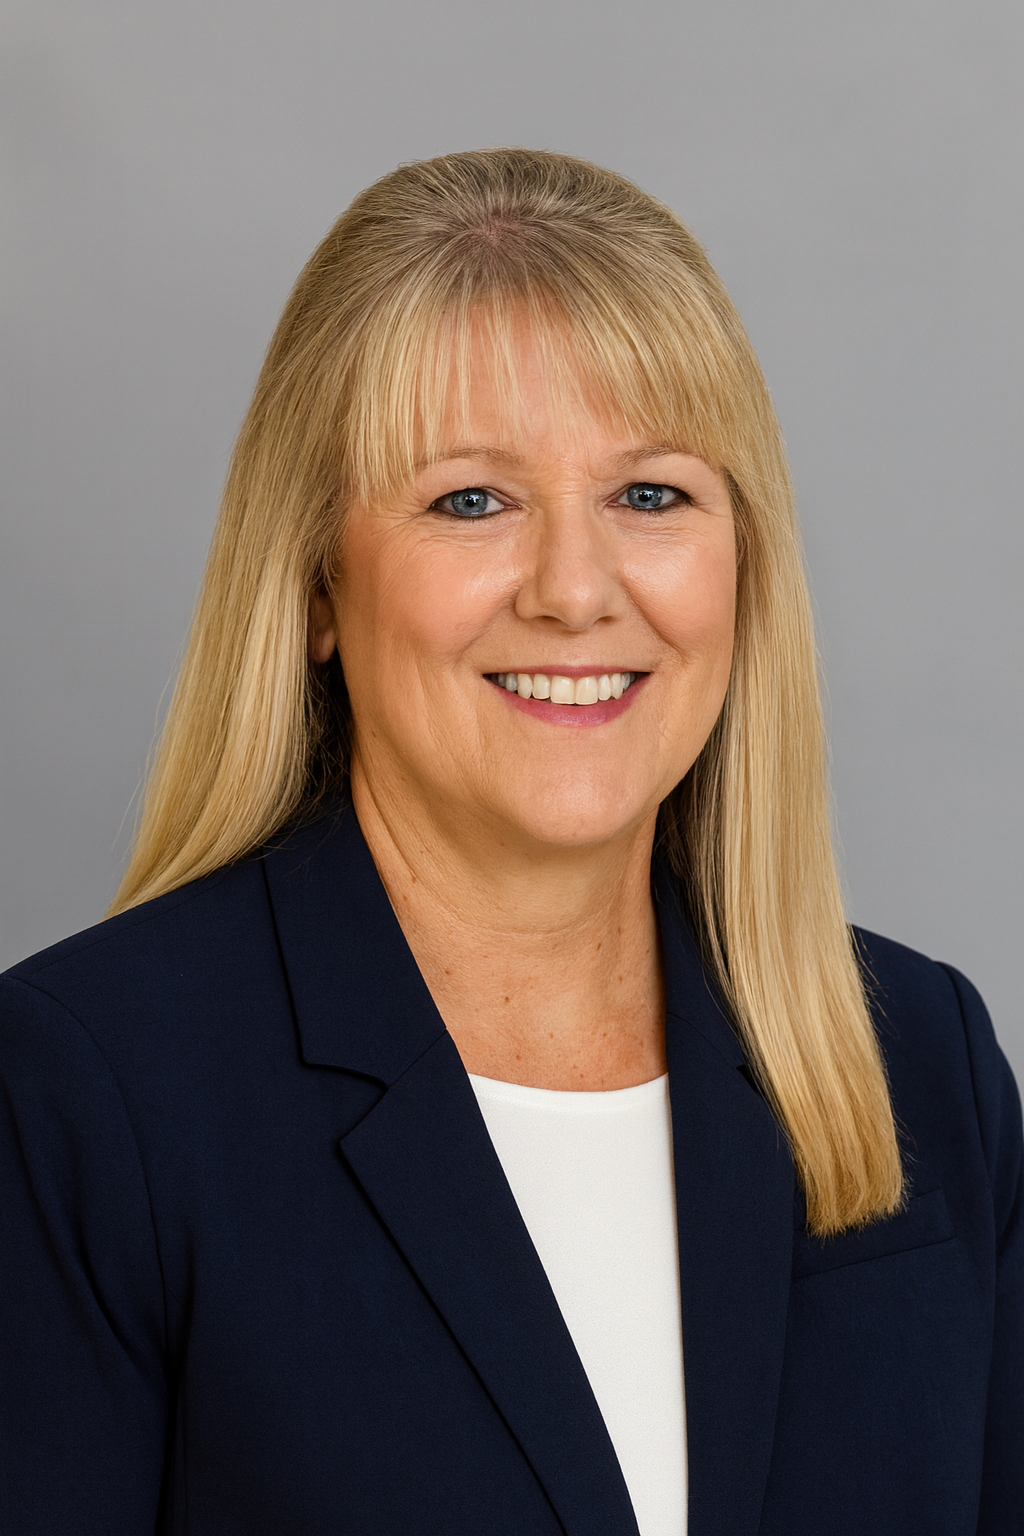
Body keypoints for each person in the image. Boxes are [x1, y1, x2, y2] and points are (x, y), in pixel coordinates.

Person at [0, 148, 1020, 1536]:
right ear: (315, 586)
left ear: (743, 562)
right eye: (470, 500)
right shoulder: (83, 1098)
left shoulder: (926, 1065)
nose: (575, 590)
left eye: (650, 495)